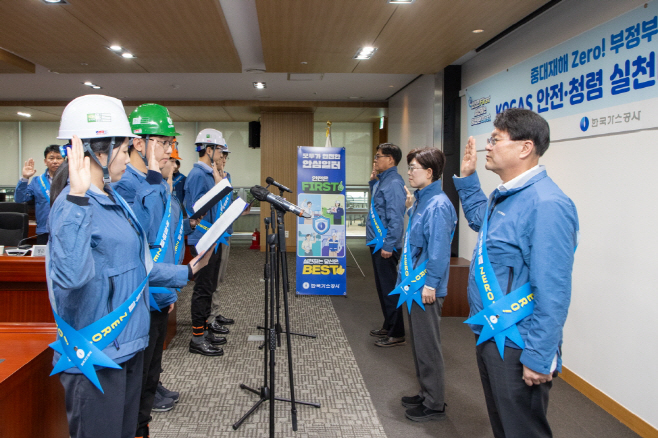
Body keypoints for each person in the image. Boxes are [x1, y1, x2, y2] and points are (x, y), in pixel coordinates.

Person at [47, 94, 211, 438]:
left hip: (130, 344)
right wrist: (77, 197)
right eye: (122, 150)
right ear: (97, 152)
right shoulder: (71, 206)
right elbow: (69, 277)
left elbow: (139, 265)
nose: (127, 157)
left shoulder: (114, 197)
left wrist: (188, 271)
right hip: (98, 350)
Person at [454, 108, 579, 438]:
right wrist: (467, 181)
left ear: (525, 147)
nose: (488, 146)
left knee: (522, 429)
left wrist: (539, 356)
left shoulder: (547, 203)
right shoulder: (507, 194)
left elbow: (553, 289)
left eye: (495, 139)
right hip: (492, 331)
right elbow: (486, 226)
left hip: (518, 341)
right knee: (503, 423)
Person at [397, 147, 456, 422]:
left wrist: (431, 285)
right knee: (419, 345)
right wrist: (410, 209)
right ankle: (425, 392)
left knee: (429, 346)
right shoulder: (421, 201)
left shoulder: (439, 205)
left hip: (426, 289)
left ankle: (434, 403)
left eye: (414, 168)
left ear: (430, 172)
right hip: (415, 286)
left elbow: (439, 252)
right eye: (409, 167)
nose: (409, 173)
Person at [184, 129, 234, 356]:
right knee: (203, 289)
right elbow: (196, 211)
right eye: (220, 149)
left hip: (213, 237)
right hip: (202, 238)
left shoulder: (210, 173)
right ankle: (197, 338)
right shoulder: (197, 175)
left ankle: (204, 330)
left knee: (209, 286)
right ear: (208, 149)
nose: (223, 154)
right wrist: (217, 185)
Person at [367, 143, 406, 347]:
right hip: (378, 243)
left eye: (378, 156)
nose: (375, 159)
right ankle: (388, 324)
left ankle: (397, 331)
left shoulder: (393, 183)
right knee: (383, 288)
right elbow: (377, 205)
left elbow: (396, 218)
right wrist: (373, 181)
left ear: (390, 159)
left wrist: (389, 245)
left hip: (385, 245)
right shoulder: (384, 181)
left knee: (390, 289)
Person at [208, 143, 237, 333]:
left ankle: (215, 311)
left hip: (226, 232)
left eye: (226, 158)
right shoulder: (208, 178)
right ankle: (209, 316)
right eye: (222, 156)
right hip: (213, 235)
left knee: (219, 277)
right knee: (211, 277)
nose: (224, 161)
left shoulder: (227, 177)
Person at [15, 145, 64, 244]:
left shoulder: (72, 180)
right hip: (44, 231)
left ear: (65, 161)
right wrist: (25, 178)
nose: (55, 161)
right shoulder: (37, 181)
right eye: (51, 158)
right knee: (42, 259)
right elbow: (19, 199)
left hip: (66, 230)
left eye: (59, 158)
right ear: (45, 161)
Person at [171, 138, 186, 203]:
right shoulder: (161, 180)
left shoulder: (183, 179)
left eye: (175, 162)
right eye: (171, 161)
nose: (174, 166)